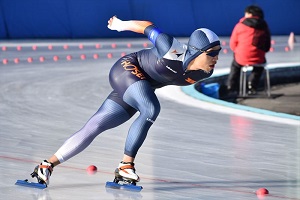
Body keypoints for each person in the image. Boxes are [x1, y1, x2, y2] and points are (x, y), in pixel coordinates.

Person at [30, 16, 221, 186]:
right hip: (127, 68)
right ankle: (125, 165)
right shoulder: (172, 49)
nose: (216, 58)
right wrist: (120, 25)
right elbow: (147, 26)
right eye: (212, 53)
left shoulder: (206, 72)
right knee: (150, 108)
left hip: (140, 85)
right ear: (196, 51)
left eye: (219, 52)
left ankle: (46, 166)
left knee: (96, 125)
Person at [227, 5, 271, 95]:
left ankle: (231, 87)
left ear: (250, 14)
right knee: (260, 65)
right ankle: (252, 86)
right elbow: (267, 45)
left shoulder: (240, 25)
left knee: (235, 65)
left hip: (241, 57)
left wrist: (237, 51)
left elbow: (232, 43)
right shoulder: (264, 25)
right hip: (258, 58)